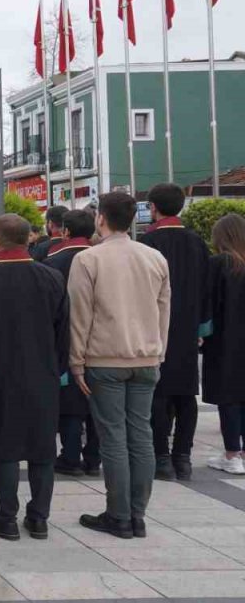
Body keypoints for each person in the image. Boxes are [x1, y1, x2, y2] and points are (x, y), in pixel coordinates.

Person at [69, 192, 170, 540]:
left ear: (101, 219)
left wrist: (76, 360)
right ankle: (137, 515)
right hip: (147, 356)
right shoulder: (155, 258)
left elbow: (80, 314)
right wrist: (158, 351)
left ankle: (118, 515)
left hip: (104, 358)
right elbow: (163, 311)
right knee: (141, 435)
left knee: (113, 437)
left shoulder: (88, 259)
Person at [0, 215, 70, 542]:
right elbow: (63, 331)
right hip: (43, 373)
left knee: (6, 446)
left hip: (0, 374)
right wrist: (59, 371)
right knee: (43, 448)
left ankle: (6, 516)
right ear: (29, 239)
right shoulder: (52, 277)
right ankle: (39, 517)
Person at [139, 183, 211, 481]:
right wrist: (203, 327)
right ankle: (183, 458)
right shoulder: (197, 242)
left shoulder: (148, 242)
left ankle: (161, 458)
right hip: (188, 328)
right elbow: (207, 286)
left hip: (156, 326)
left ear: (153, 207)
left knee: (159, 393)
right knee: (185, 393)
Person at [43, 210, 100, 477]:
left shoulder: (52, 261)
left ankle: (70, 455)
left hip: (64, 337)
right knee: (97, 399)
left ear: (64, 231)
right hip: (99, 338)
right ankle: (93, 457)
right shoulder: (102, 258)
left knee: (71, 402)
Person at [204, 214, 245, 475]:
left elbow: (208, 303)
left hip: (225, 340)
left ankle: (232, 453)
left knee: (228, 397)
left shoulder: (219, 264)